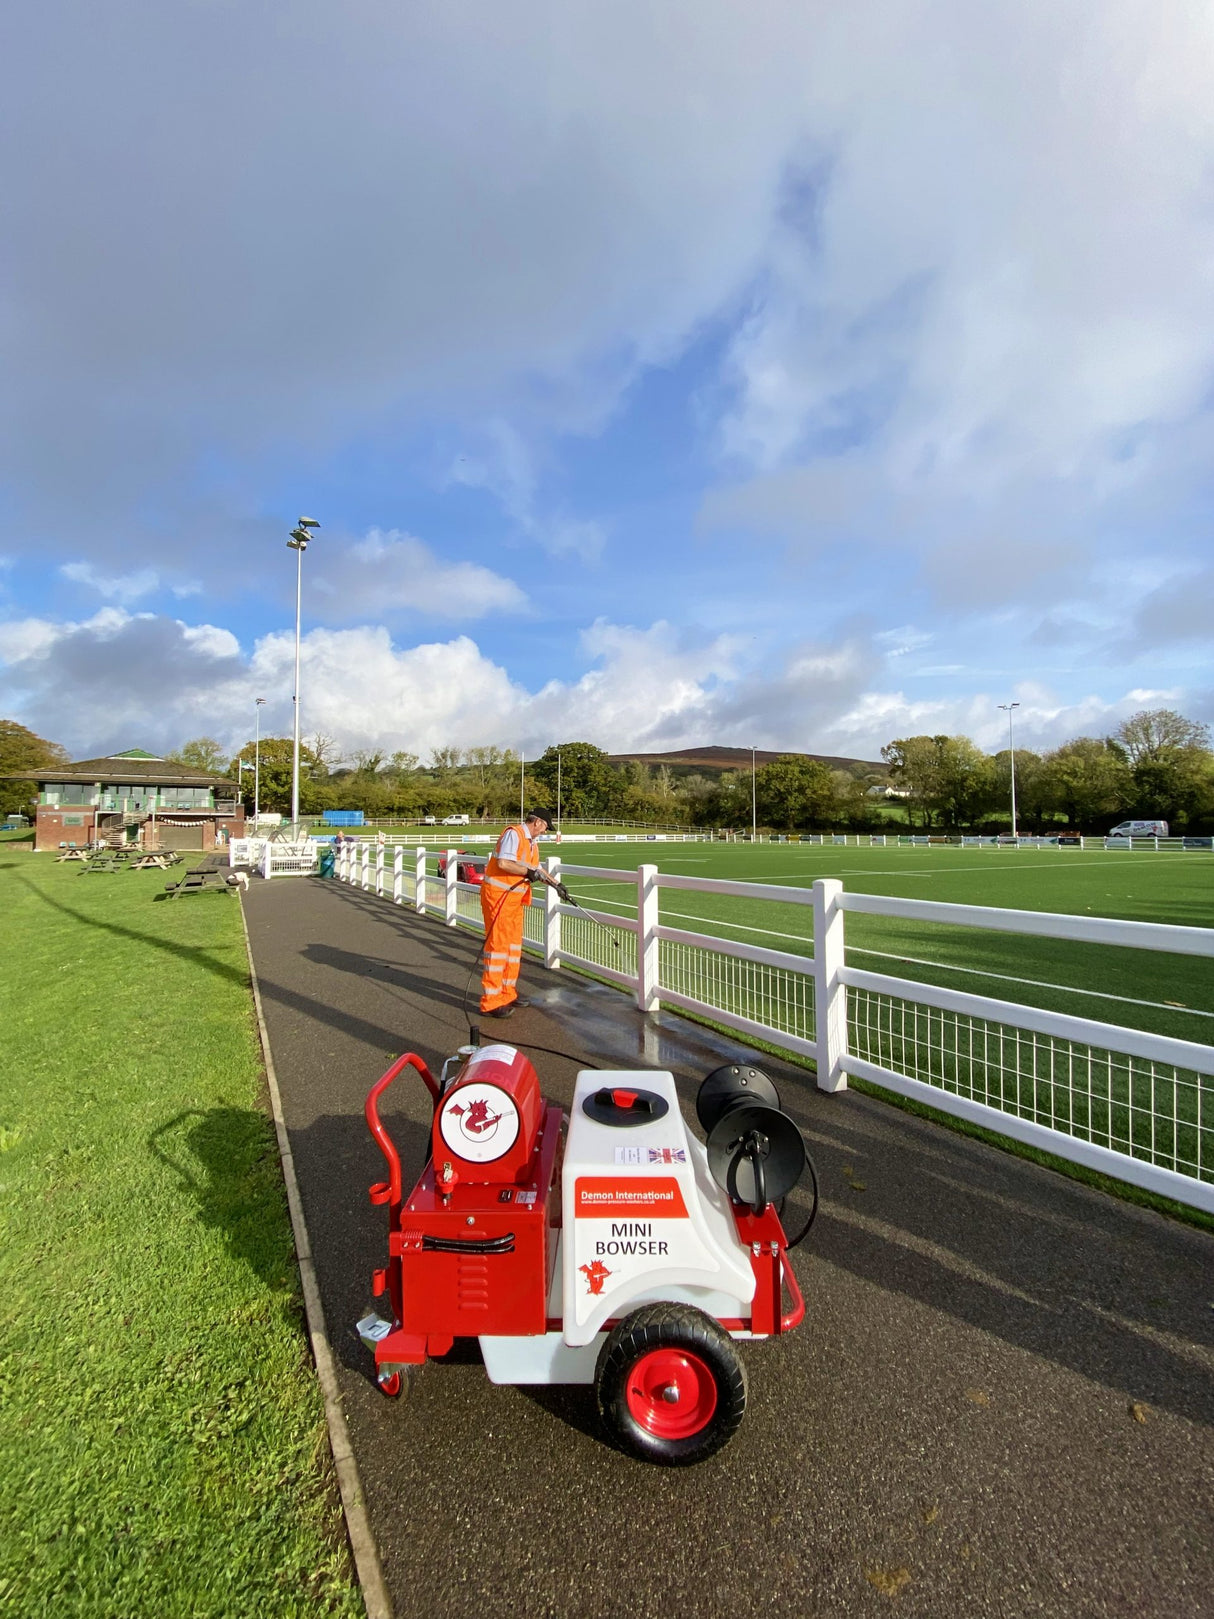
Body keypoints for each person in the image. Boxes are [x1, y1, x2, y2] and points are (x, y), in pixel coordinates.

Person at [479, 808, 567, 1018]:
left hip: (514, 901)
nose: (544, 832)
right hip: (499, 897)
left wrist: (556, 885)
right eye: (545, 827)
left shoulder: (531, 843)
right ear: (537, 822)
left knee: (513, 948)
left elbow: (536, 868)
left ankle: (507, 994)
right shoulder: (514, 834)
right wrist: (528, 872)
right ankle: (491, 1001)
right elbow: (504, 863)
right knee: (498, 948)